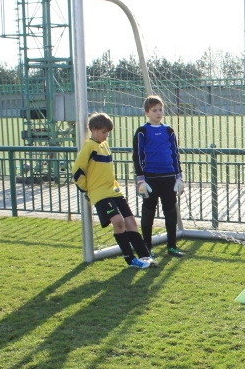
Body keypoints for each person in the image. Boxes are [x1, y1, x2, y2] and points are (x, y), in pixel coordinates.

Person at [73, 112, 153, 269]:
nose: (106, 135)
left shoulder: (104, 145)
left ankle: (144, 255)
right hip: (100, 194)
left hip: (114, 190)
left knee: (131, 222)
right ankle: (130, 260)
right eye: (103, 132)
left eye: (108, 132)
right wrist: (87, 190)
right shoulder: (89, 146)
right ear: (94, 129)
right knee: (118, 222)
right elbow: (77, 172)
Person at [132, 95, 185, 258]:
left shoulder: (169, 130)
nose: (158, 113)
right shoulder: (142, 131)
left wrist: (179, 176)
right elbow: (137, 155)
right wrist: (140, 178)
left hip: (169, 177)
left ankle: (172, 246)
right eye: (154, 110)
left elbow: (175, 154)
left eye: (160, 109)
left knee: (170, 211)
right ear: (147, 112)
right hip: (150, 179)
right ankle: (146, 247)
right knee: (148, 212)